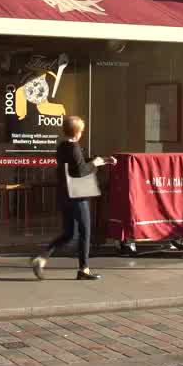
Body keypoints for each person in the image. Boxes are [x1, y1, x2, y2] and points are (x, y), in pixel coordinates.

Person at [32, 116, 115, 280]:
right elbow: (80, 171)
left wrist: (103, 160)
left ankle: (41, 258)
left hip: (65, 194)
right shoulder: (74, 147)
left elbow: (77, 164)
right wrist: (96, 163)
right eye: (81, 131)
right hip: (78, 195)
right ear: (77, 132)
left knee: (69, 233)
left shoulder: (62, 147)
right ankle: (84, 269)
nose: (82, 133)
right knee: (85, 231)